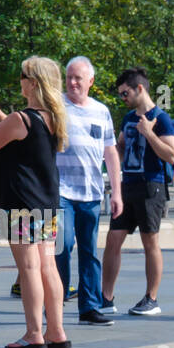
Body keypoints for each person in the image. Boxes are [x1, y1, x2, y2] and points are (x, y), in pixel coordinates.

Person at [0, 57, 69, 348]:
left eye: (23, 76)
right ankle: (56, 331)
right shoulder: (52, 117)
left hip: (21, 203)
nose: (20, 80)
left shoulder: (21, 119)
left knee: (28, 268)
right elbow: (23, 138)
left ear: (33, 83)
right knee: (48, 266)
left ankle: (33, 333)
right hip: (46, 202)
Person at [102, 67, 174, 317]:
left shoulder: (161, 118)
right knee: (113, 239)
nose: (122, 98)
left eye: (125, 93)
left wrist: (149, 133)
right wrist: (113, 152)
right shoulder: (127, 118)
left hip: (151, 186)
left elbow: (171, 155)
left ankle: (151, 298)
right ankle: (106, 298)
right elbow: (121, 148)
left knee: (150, 241)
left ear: (140, 89)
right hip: (127, 185)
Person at [55, 56, 122, 327]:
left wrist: (116, 192)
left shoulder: (101, 111)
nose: (72, 82)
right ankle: (55, 301)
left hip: (91, 193)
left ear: (90, 82)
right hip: (60, 191)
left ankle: (90, 307)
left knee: (89, 250)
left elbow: (110, 153)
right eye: (69, 77)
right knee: (63, 244)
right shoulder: (56, 106)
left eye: (78, 78)